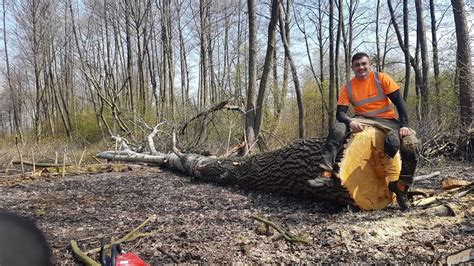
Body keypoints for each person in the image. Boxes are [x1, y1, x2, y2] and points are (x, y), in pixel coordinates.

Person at [307, 52, 419, 210]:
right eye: (357, 65)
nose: (361, 67)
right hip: (362, 118)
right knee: (338, 128)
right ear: (352, 68)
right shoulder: (348, 87)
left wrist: (405, 125)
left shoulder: (382, 78)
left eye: (363, 64)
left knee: (411, 144)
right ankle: (325, 172)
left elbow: (400, 103)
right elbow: (340, 113)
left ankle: (401, 188)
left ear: (369, 64)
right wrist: (350, 121)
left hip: (388, 121)